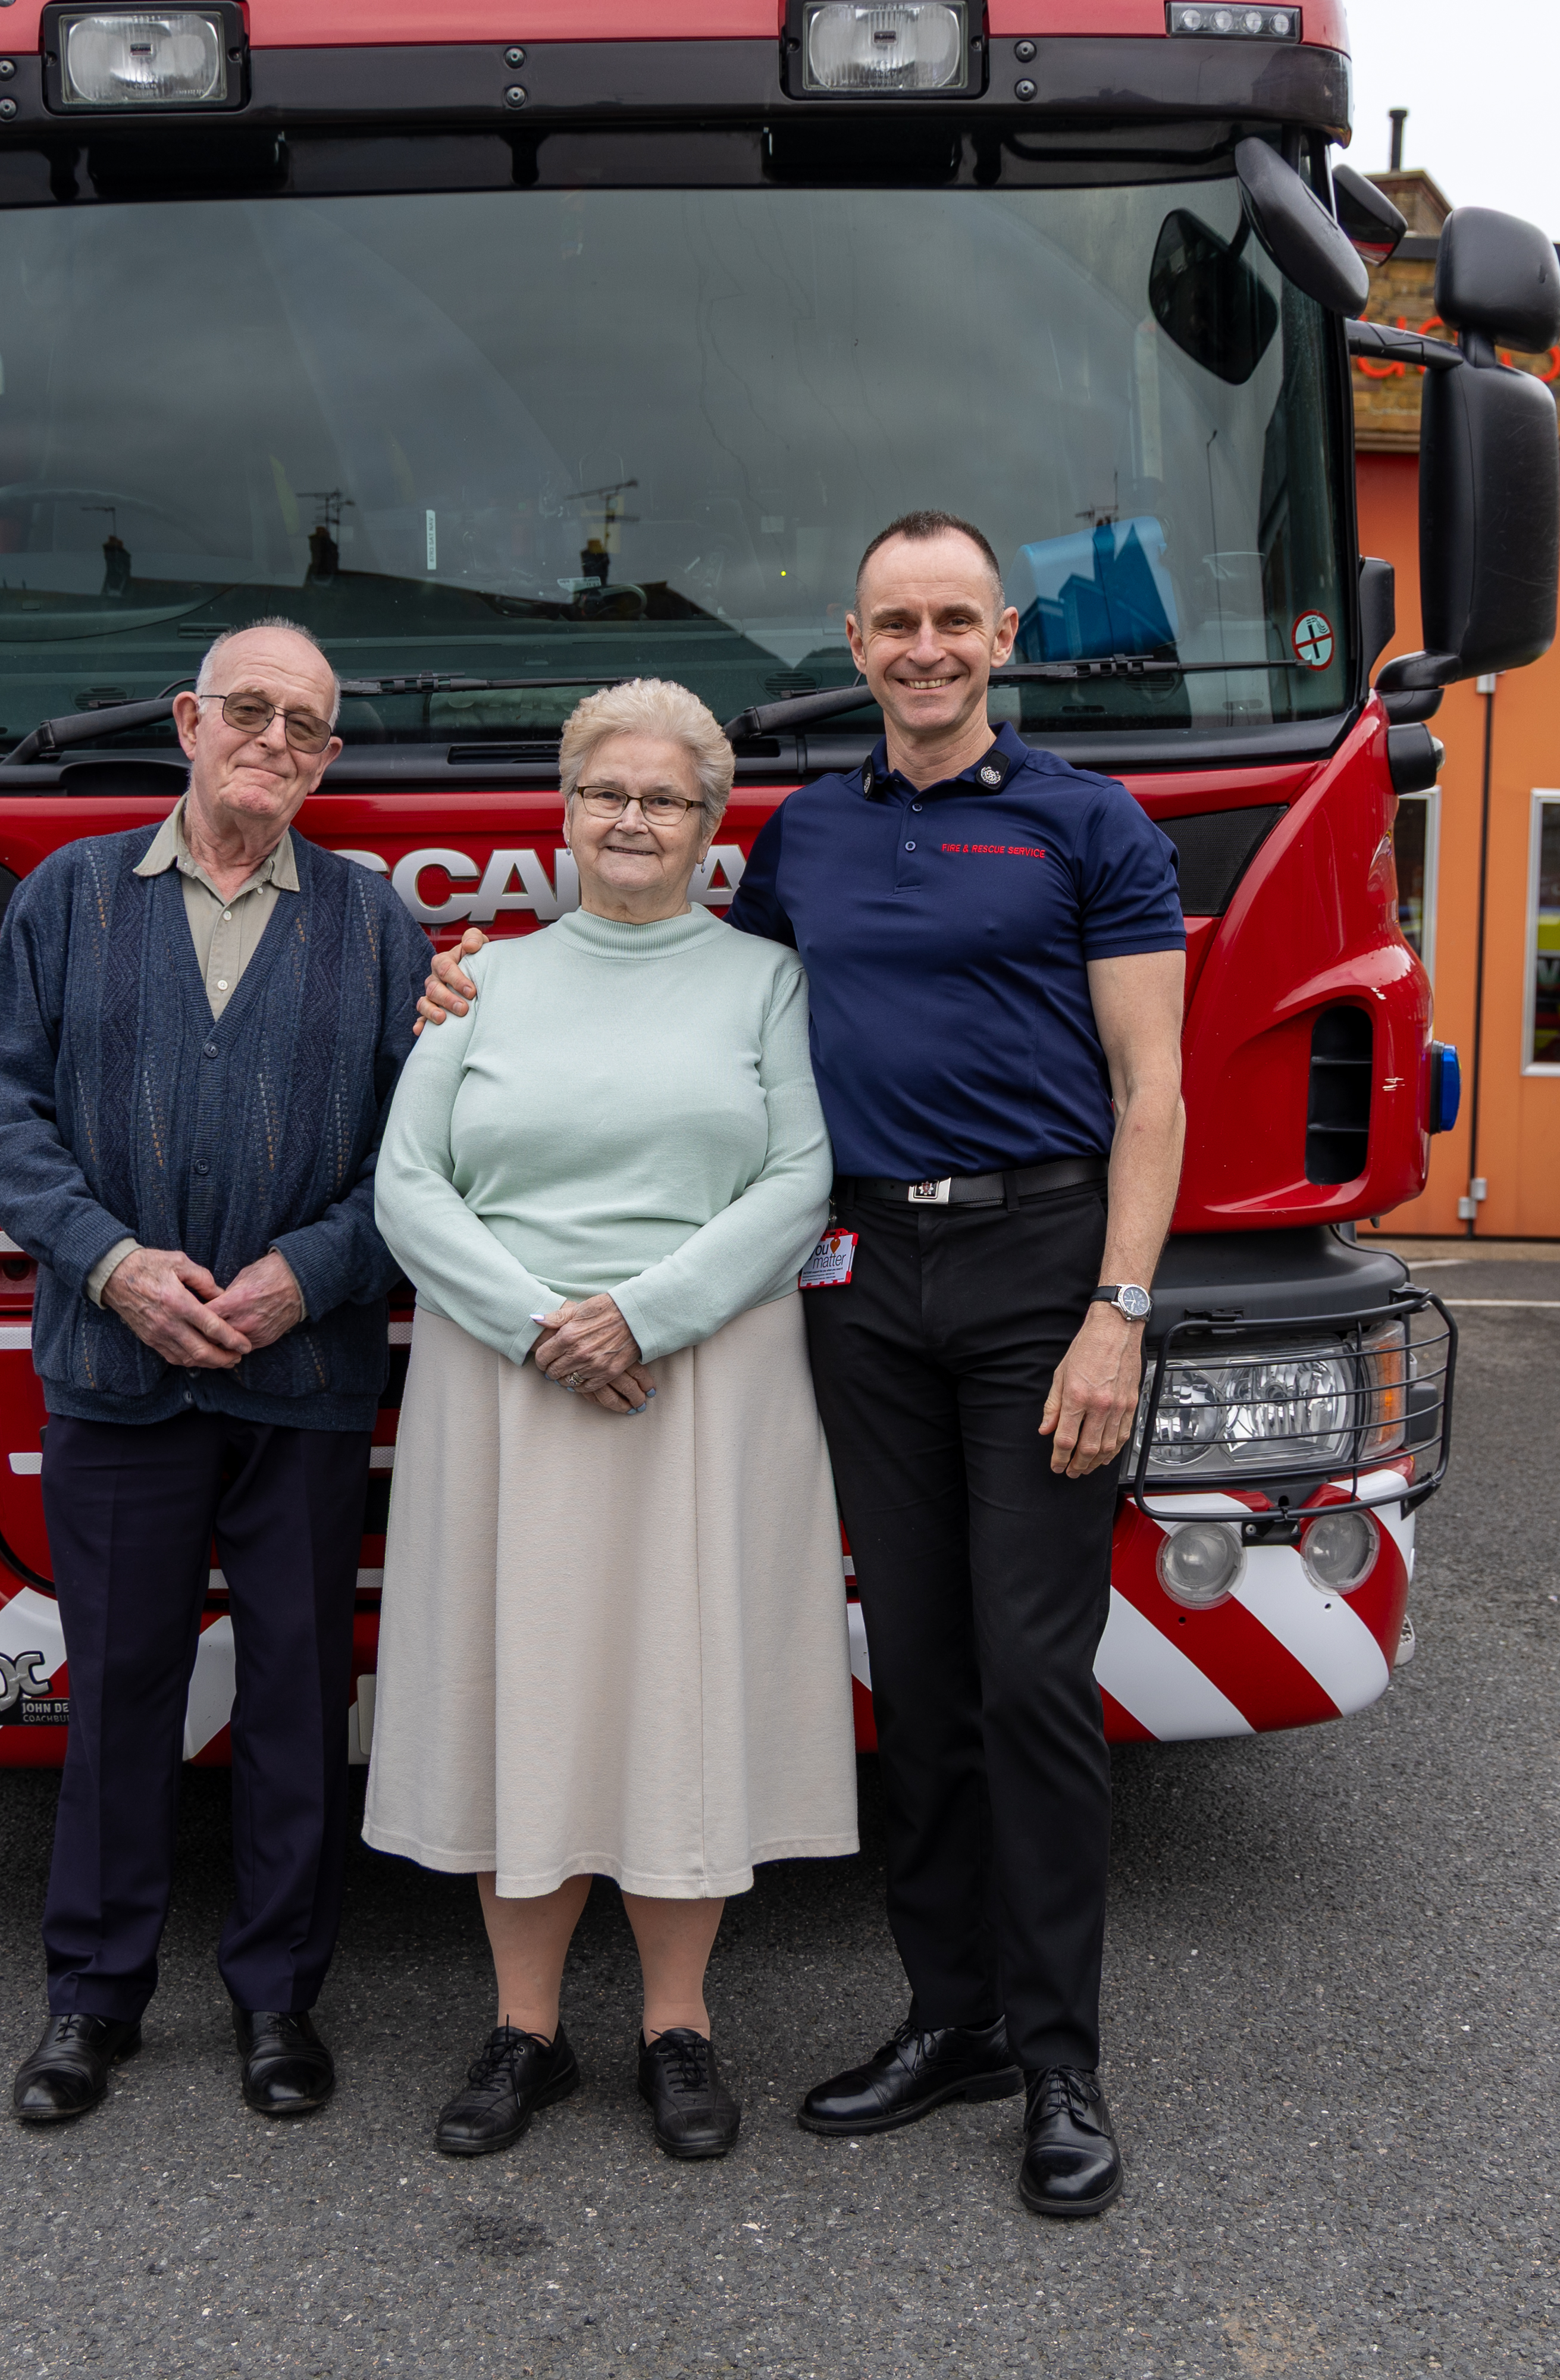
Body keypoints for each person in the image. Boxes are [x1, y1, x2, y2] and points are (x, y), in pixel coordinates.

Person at [419, 513, 1186, 2217]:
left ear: (1003, 637)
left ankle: (1063, 2067)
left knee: (1034, 1680)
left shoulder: (1092, 827)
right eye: (893, 622)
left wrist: (1117, 1314)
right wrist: (475, 996)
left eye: (953, 622)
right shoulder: (808, 839)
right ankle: (951, 2018)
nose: (923, 649)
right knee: (915, 1670)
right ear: (855, 643)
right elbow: (692, 1002)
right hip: (856, 1274)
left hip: (1040, 1267)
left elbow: (1155, 1093)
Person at [365, 679, 853, 2165]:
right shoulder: (483, 980)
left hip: (698, 1377)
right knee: (524, 1686)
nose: (630, 819)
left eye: (663, 798)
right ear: (564, 814)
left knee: (677, 1691)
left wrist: (646, 1311)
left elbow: (798, 1177)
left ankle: (677, 2023)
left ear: (712, 827)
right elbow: (406, 1182)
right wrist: (541, 1321)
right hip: (507, 1380)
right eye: (604, 793)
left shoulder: (765, 980)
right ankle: (525, 2028)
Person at [0, 618, 430, 2130]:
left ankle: (280, 1997)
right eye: (251, 711)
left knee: (298, 1694)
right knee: (120, 1698)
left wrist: (315, 1271)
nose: (276, 741)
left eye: (308, 723)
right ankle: (92, 1998)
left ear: (330, 756)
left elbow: (419, 1161)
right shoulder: (71, 897)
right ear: (188, 718)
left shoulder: (377, 928)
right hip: (118, 1371)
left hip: (303, 1381)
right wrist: (114, 1264)